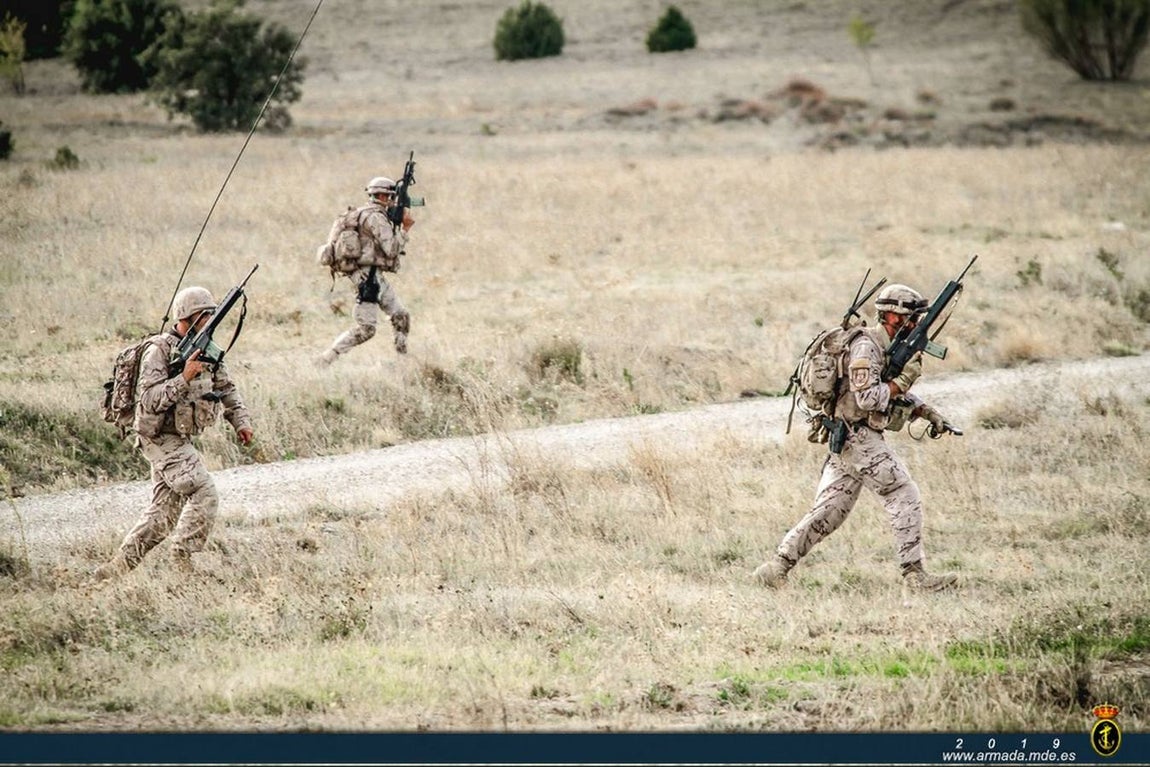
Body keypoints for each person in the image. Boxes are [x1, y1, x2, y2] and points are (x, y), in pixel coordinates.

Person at [754, 283, 959, 592]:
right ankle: (914, 575)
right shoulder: (866, 347)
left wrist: (926, 412)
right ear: (891, 316)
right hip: (858, 438)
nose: (915, 324)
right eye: (910, 317)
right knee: (902, 492)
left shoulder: (884, 346)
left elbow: (886, 389)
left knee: (829, 512)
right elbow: (869, 398)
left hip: (849, 439)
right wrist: (904, 380)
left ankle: (776, 568)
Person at [93, 286, 253, 579]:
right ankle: (183, 557)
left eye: (210, 315)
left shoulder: (206, 349)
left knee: (164, 514)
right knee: (203, 490)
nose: (210, 321)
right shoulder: (159, 350)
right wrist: (184, 377)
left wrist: (241, 421)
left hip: (178, 436)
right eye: (203, 316)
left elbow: (226, 388)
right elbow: (149, 401)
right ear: (186, 317)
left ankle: (116, 568)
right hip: (156, 436)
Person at [317, 175, 415, 365]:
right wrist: (405, 229)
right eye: (391, 197)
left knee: (401, 316)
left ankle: (403, 361)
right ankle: (326, 358)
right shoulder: (376, 217)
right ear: (382, 196)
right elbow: (392, 249)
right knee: (367, 329)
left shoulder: (363, 213)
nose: (394, 201)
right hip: (367, 277)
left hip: (370, 275)